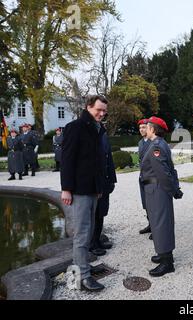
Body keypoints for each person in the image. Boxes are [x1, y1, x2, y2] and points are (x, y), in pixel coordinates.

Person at [60, 95, 108, 292]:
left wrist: (98, 189)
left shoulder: (97, 129)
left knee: (87, 233)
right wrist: (66, 189)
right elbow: (67, 160)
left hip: (92, 190)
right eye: (99, 110)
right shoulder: (76, 127)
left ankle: (80, 269)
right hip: (79, 190)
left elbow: (96, 163)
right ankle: (83, 278)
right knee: (82, 234)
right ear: (88, 107)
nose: (102, 114)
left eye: (104, 111)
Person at [141, 117, 183, 277]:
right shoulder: (158, 144)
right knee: (159, 223)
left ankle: (167, 262)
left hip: (158, 189)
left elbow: (164, 173)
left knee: (161, 223)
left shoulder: (156, 146)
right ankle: (163, 254)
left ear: (153, 129)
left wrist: (173, 190)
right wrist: (175, 189)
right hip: (156, 189)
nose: (145, 129)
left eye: (147, 127)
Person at [90, 131, 117, 256]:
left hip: (104, 180)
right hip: (93, 182)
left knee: (101, 212)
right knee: (93, 214)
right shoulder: (85, 133)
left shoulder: (103, 134)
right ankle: (92, 243)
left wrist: (112, 180)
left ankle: (97, 239)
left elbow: (108, 158)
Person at [137, 119, 153, 237]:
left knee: (153, 204)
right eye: (140, 128)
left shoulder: (154, 142)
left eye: (144, 127)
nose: (142, 130)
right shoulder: (140, 142)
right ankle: (151, 225)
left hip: (152, 178)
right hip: (143, 176)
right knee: (146, 203)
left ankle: (156, 228)